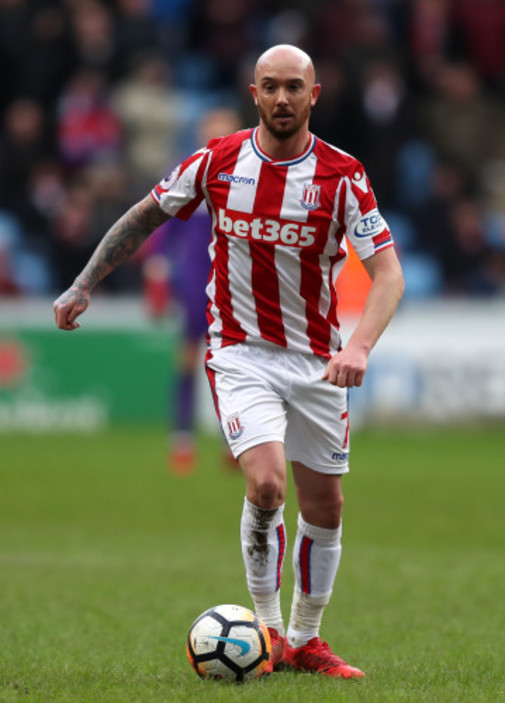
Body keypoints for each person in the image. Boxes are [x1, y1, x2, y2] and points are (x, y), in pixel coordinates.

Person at [53, 44, 404, 678]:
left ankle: (306, 639)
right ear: (254, 93)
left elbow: (388, 274)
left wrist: (358, 346)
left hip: (319, 358)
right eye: (270, 86)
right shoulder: (217, 161)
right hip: (240, 352)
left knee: (325, 505)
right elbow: (144, 215)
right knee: (267, 484)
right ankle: (268, 630)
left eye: (294, 86)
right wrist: (83, 283)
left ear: (314, 95)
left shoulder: (343, 175)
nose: (282, 98)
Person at [142, 107, 243, 474]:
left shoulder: (250, 178)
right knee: (187, 361)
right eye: (212, 129)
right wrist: (157, 277)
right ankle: (182, 440)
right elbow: (163, 234)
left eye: (224, 129)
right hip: (194, 287)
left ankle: (232, 441)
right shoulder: (189, 175)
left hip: (235, 290)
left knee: (233, 369)